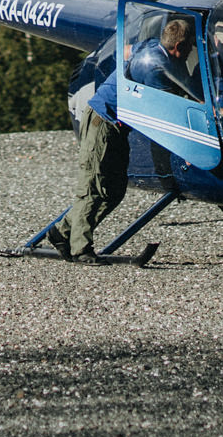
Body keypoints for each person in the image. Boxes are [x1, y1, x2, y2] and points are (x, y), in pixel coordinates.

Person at [46, 17, 191, 262]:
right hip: (102, 121)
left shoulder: (151, 46)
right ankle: (81, 248)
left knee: (114, 191)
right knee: (92, 187)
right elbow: (169, 106)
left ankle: (62, 232)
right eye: (188, 49)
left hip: (117, 126)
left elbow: (124, 50)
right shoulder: (154, 68)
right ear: (178, 47)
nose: (189, 55)